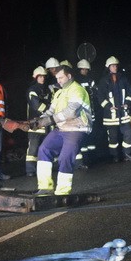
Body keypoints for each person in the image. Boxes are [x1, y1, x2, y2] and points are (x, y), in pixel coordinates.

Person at [34, 65, 92, 195]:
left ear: (69, 76)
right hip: (62, 128)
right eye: (57, 78)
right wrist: (37, 121)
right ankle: (45, 187)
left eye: (61, 77)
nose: (58, 80)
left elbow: (71, 112)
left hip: (77, 128)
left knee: (65, 157)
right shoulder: (60, 92)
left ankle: (62, 192)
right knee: (44, 149)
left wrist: (48, 121)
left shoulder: (78, 90)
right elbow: (51, 111)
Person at [98, 56, 131, 162]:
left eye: (116, 65)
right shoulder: (104, 81)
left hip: (124, 114)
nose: (115, 67)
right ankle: (114, 156)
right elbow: (100, 97)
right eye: (112, 66)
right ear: (108, 67)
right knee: (113, 138)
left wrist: (127, 103)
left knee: (129, 133)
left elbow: (130, 92)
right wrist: (108, 106)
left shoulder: (123, 78)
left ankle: (127, 154)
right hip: (111, 115)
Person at [25, 66, 51, 177]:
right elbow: (37, 105)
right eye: (40, 76)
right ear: (36, 77)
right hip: (34, 123)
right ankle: (30, 170)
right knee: (33, 147)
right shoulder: (32, 90)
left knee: (46, 147)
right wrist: (50, 108)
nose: (42, 78)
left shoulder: (47, 89)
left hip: (46, 123)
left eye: (44, 76)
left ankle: (44, 168)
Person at [75, 58, 99, 168]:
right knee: (87, 135)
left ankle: (87, 158)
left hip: (85, 112)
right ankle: (87, 158)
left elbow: (96, 91)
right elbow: (95, 92)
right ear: (81, 69)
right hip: (85, 112)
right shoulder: (86, 81)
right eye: (84, 69)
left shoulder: (76, 81)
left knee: (87, 135)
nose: (86, 71)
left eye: (86, 69)